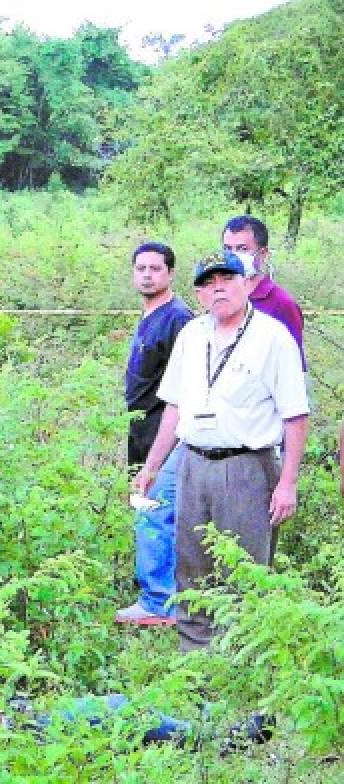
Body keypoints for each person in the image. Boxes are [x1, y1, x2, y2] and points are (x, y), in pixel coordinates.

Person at [132, 251, 309, 651]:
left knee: (243, 568)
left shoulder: (273, 338)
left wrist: (288, 483)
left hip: (247, 466)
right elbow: (174, 408)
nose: (219, 289)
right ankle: (194, 658)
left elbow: (295, 417)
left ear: (248, 284)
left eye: (227, 279)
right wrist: (153, 466)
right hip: (194, 463)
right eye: (209, 284)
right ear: (198, 293)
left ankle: (243, 659)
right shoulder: (192, 336)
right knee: (192, 565)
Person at [117, 242, 194, 627]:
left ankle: (159, 601)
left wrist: (169, 443)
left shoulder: (178, 318)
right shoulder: (150, 314)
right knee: (147, 507)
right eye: (141, 268)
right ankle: (157, 591)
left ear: (170, 274)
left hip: (168, 433)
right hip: (142, 430)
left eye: (155, 269)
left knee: (156, 512)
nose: (147, 275)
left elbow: (186, 387)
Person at [221, 215, 305, 370]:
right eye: (227, 249)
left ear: (263, 254)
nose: (233, 256)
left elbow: (294, 368)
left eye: (242, 249)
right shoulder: (219, 296)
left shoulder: (282, 304)